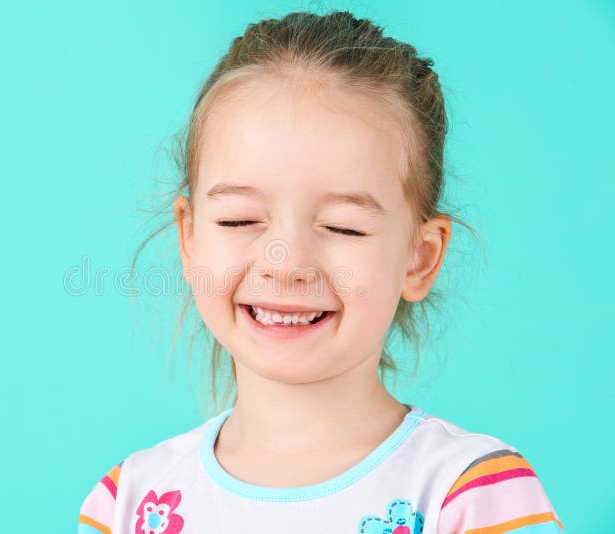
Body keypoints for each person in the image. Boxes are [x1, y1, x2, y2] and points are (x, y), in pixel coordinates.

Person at [77, 10, 564, 534]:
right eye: (240, 219)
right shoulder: (128, 503)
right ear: (190, 239)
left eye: (343, 227)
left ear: (419, 258)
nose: (284, 264)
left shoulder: (471, 495)